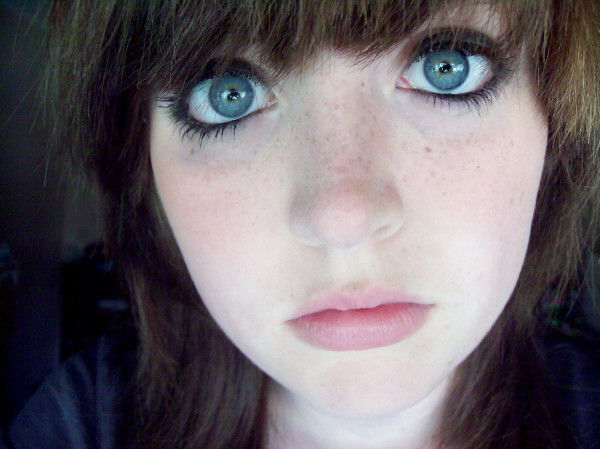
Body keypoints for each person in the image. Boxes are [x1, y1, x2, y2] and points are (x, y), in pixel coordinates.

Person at [4, 0, 600, 448]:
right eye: (229, 94)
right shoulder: (78, 423)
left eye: (446, 67)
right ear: (146, 170)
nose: (342, 220)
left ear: (553, 126)